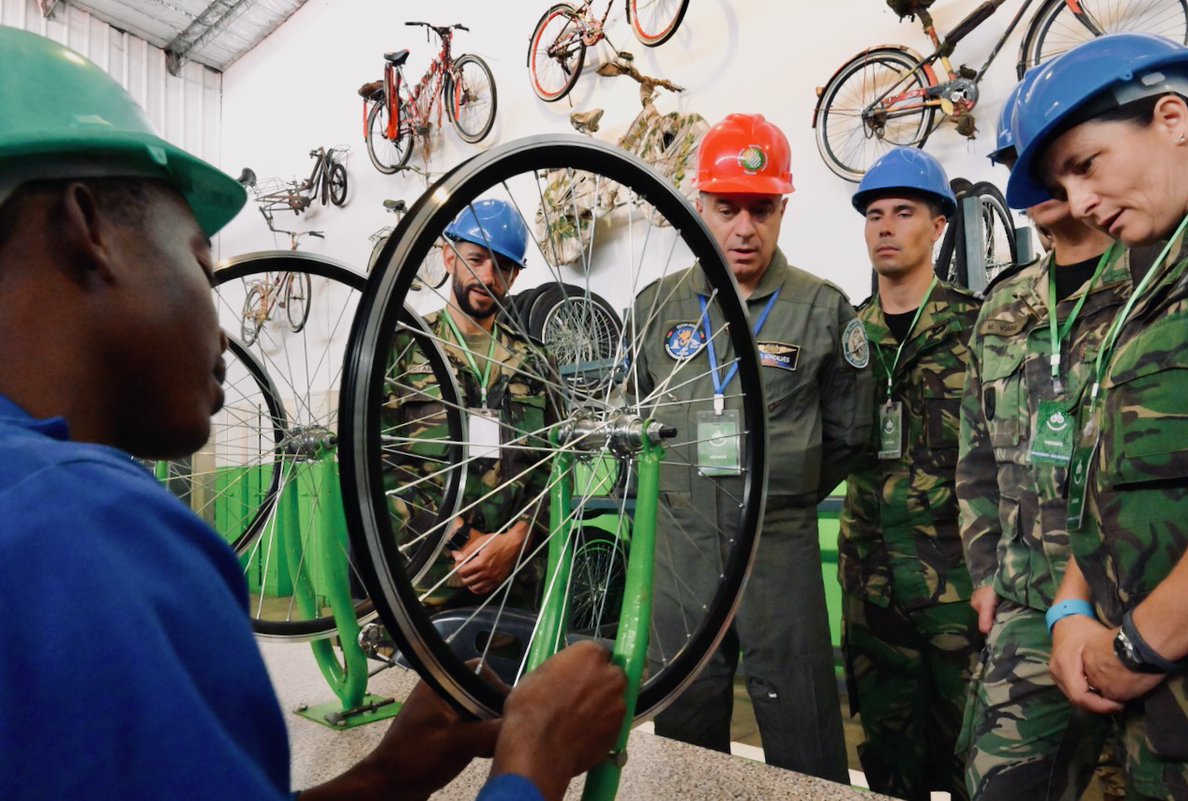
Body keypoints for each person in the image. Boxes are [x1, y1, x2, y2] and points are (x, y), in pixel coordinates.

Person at [0, 26, 625, 801]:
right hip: (436, 570)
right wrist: (531, 761)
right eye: (203, 262)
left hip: (517, 569)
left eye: (505, 265)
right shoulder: (85, 531)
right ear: (83, 228)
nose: (225, 327)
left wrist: (385, 777)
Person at [632, 112, 873, 781]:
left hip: (779, 545)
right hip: (683, 553)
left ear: (783, 209)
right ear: (698, 205)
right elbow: (639, 412)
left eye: (761, 209)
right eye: (726, 207)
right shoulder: (656, 307)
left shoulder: (821, 309)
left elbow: (852, 435)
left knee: (801, 727)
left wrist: (786, 488)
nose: (744, 228)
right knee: (686, 728)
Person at [1002, 31, 1188, 801]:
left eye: (1087, 164)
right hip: (1153, 723)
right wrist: (1071, 605)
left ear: (1173, 117)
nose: (1079, 202)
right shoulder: (1146, 279)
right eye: (1065, 181)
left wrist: (1137, 647)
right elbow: (1114, 470)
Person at [957, 71, 1140, 799]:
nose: (1034, 180)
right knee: (998, 781)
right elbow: (973, 458)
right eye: (1017, 165)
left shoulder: (1153, 284)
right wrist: (982, 573)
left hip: (1143, 602)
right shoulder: (1003, 306)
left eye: (1058, 160)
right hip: (1029, 605)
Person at [838, 147, 980, 801]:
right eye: (874, 214)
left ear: (939, 224)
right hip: (873, 591)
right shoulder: (847, 338)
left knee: (975, 762)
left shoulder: (980, 328)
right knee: (890, 769)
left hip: (958, 587)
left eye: (903, 211)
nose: (885, 226)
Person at [383, 199, 558, 610]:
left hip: (518, 575)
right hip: (427, 574)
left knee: (518, 675)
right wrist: (460, 538)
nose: (487, 276)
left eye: (503, 266)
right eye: (476, 259)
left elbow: (556, 466)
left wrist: (518, 539)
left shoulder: (537, 362)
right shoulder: (402, 349)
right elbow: (380, 463)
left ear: (515, 276)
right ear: (449, 256)